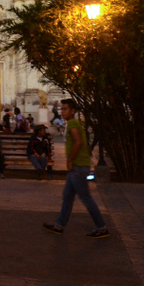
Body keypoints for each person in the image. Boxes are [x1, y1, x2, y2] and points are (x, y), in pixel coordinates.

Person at [44, 100, 109, 238]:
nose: (62, 111)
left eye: (65, 109)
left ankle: (102, 227)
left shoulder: (73, 123)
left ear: (73, 110)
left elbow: (78, 142)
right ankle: (59, 225)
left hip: (78, 167)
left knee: (86, 198)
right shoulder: (72, 123)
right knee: (67, 197)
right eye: (61, 109)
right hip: (77, 166)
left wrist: (69, 160)